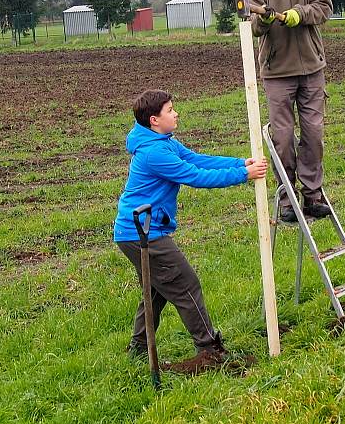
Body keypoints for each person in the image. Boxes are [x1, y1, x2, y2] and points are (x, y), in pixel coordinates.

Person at [113, 89, 268, 371]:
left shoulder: (163, 141)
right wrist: (243, 175)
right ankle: (210, 349)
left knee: (157, 291)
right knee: (186, 285)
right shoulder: (154, 153)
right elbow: (195, 176)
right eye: (170, 110)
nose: (176, 113)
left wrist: (238, 163)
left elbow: (196, 159)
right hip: (143, 232)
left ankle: (137, 349)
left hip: (138, 231)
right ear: (154, 120)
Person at [241, 0, 333, 223]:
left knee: (314, 134)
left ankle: (312, 196)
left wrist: (300, 14)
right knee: (282, 137)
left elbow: (324, 7)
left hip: (311, 66)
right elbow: (253, 26)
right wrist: (266, 19)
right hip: (277, 70)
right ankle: (287, 199)